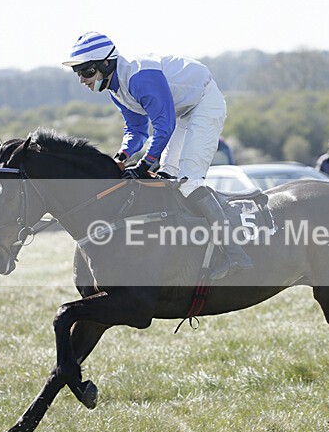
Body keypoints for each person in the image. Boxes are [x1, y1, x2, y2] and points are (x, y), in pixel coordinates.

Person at [62, 32, 252, 279]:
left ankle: (235, 253)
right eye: (78, 73)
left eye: (86, 72)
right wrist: (121, 156)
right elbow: (136, 130)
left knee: (188, 180)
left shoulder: (140, 78)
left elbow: (164, 127)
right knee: (165, 177)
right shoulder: (115, 89)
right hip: (181, 111)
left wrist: (144, 164)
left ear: (106, 63)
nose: (82, 80)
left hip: (204, 102)